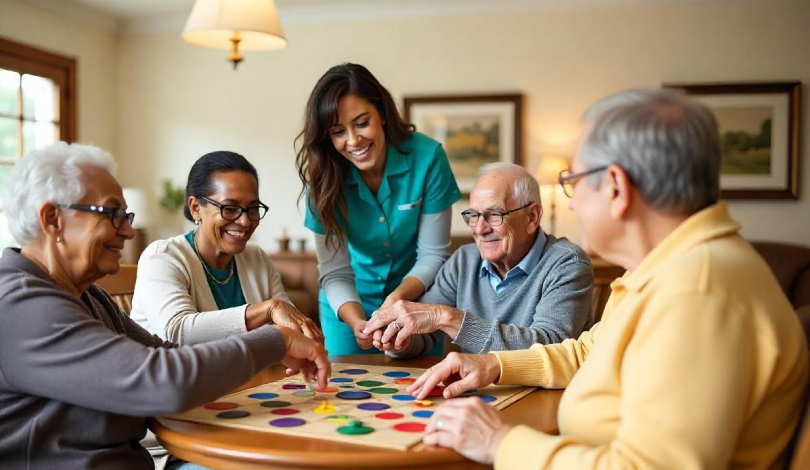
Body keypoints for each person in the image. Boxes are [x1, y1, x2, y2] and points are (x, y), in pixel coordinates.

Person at [406, 88, 809, 469]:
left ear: (615, 187)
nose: (573, 201)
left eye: (574, 182)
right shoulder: (660, 270)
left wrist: (499, 442)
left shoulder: (696, 292)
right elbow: (585, 354)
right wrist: (492, 363)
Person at [0, 142, 330, 470]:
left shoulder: (89, 295)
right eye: (113, 214)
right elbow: (163, 379)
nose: (128, 231)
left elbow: (166, 353)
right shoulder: (18, 305)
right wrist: (276, 341)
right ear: (53, 219)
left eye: (125, 216)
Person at [295, 63, 461, 355]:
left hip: (415, 304)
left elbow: (433, 255)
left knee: (420, 393)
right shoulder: (321, 182)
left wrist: (396, 301)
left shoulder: (429, 158)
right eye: (337, 131)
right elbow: (335, 271)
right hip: (347, 306)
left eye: (361, 123)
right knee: (343, 394)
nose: (353, 141)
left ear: (382, 113)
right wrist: (356, 320)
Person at [363, 162, 593, 357]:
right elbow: (425, 334)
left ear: (532, 217)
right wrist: (399, 340)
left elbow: (550, 348)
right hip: (474, 394)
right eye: (473, 215)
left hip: (539, 398)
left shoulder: (567, 264)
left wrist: (448, 318)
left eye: (494, 215)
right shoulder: (463, 260)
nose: (480, 229)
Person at [131, 151, 323, 345]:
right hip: (174, 375)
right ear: (195, 207)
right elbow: (177, 332)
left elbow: (287, 326)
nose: (245, 221)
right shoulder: (163, 257)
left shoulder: (256, 257)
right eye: (230, 208)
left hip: (244, 375)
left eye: (253, 208)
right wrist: (267, 309)